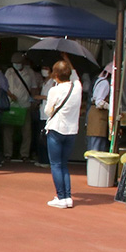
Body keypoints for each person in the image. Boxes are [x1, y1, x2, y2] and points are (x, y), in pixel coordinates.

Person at [44, 60, 83, 209]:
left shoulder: (54, 90)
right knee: (64, 165)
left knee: (55, 164)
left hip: (56, 129)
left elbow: (48, 111)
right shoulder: (77, 86)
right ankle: (67, 197)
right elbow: (74, 73)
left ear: (55, 75)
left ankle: (61, 197)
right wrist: (67, 59)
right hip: (72, 130)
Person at [3, 52, 38, 161]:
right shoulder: (9, 72)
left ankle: (24, 154)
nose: (16, 65)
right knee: (8, 131)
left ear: (23, 63)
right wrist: (10, 95)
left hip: (25, 105)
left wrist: (34, 101)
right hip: (11, 105)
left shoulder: (30, 73)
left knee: (26, 132)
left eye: (18, 63)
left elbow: (34, 88)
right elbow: (3, 86)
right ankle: (7, 153)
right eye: (14, 63)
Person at [86, 63, 112, 152]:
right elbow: (99, 102)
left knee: (96, 143)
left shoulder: (99, 81)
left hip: (96, 115)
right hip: (98, 116)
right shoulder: (105, 83)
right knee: (96, 146)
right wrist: (110, 107)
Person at [33, 64, 55, 167]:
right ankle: (42, 159)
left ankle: (46, 160)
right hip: (42, 112)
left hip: (48, 115)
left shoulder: (53, 83)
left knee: (45, 138)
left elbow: (53, 97)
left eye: (46, 68)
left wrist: (40, 97)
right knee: (41, 137)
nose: (44, 70)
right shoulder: (44, 82)